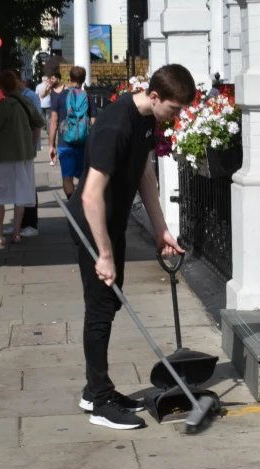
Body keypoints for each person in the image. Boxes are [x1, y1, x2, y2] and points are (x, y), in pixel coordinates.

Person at [67, 64, 195, 429]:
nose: (176, 116)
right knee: (100, 309)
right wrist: (104, 255)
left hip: (113, 222)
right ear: (154, 97)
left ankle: (97, 390)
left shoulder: (144, 120)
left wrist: (161, 230)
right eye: (174, 108)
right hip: (92, 225)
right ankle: (98, 401)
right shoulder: (115, 126)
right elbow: (91, 197)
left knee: (107, 307)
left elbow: (144, 174)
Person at [0, 70, 45, 247]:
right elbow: (39, 122)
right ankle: (17, 233)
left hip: (5, 155)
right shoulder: (25, 100)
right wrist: (32, 145)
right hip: (24, 155)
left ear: (1, 86)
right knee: (21, 193)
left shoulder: (5, 103)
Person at [4, 70, 43, 238]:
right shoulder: (16, 96)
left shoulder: (31, 96)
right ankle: (19, 224)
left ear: (19, 81)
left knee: (27, 185)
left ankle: (31, 224)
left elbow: (37, 124)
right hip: (17, 147)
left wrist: (34, 145)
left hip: (26, 147)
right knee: (19, 185)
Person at [49, 66, 96, 198]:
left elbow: (53, 122)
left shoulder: (60, 97)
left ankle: (72, 205)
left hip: (65, 144)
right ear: (84, 79)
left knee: (67, 178)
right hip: (84, 144)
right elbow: (93, 123)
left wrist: (51, 145)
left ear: (69, 78)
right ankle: (82, 205)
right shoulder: (88, 97)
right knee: (84, 178)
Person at [39, 71, 65, 166]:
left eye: (53, 78)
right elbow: (41, 95)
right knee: (52, 135)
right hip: (53, 113)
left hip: (62, 115)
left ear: (58, 79)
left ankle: (61, 154)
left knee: (61, 136)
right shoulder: (51, 89)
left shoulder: (64, 88)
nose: (51, 80)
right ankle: (53, 155)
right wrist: (47, 87)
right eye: (50, 79)